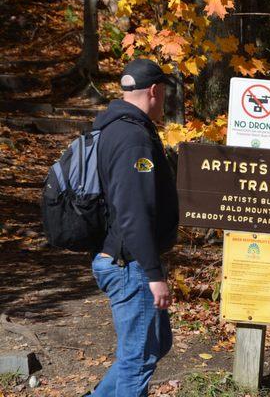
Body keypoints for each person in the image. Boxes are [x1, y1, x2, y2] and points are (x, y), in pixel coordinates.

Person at [86, 58, 179, 396]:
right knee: (138, 358)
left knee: (153, 344)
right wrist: (154, 274)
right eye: (164, 92)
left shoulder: (113, 127)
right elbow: (134, 211)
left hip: (124, 257)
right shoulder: (133, 138)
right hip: (130, 263)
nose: (165, 100)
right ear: (154, 91)